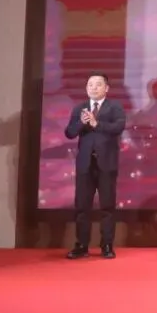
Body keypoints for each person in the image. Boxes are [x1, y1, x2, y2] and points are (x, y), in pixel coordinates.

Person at [64, 72, 126, 259]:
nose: (93, 88)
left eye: (98, 84)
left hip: (106, 163)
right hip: (85, 164)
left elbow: (118, 127)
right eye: (90, 84)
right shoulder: (80, 108)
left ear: (106, 88)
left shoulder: (115, 107)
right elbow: (69, 132)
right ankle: (82, 245)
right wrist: (81, 123)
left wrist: (96, 123)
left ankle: (106, 245)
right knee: (82, 206)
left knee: (107, 206)